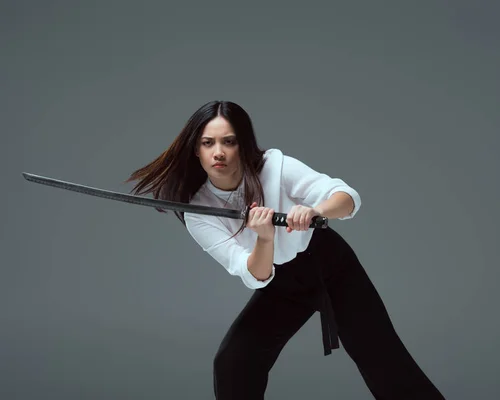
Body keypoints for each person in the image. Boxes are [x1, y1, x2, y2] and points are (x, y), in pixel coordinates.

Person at [125, 100, 445, 399]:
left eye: (229, 142)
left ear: (244, 144)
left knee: (382, 357)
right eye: (208, 143)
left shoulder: (275, 168)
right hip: (280, 282)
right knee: (234, 364)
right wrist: (265, 239)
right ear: (196, 149)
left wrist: (317, 211)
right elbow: (252, 274)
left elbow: (345, 196)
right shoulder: (197, 209)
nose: (218, 153)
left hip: (331, 267)